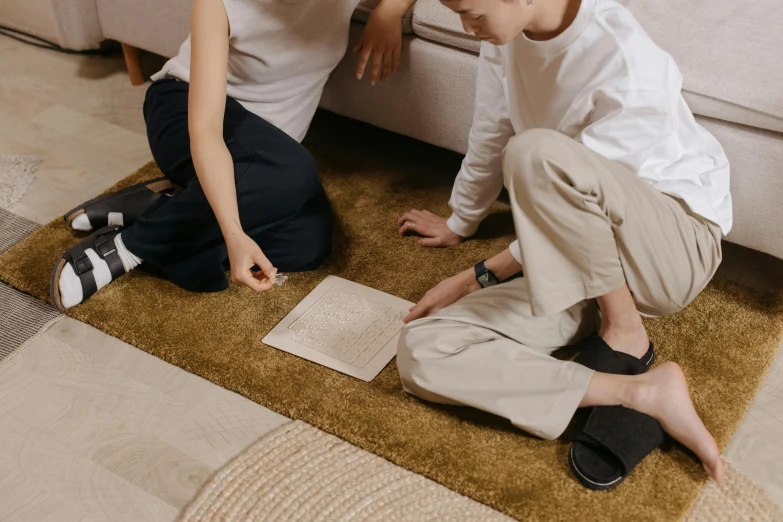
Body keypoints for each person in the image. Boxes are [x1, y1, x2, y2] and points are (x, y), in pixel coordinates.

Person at [395, 0, 728, 488]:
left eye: (471, 12)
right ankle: (640, 391)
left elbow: (573, 199)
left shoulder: (622, 57)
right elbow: (491, 127)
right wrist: (460, 221)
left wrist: (478, 274)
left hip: (671, 246)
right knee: (424, 349)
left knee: (534, 154)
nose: (467, 27)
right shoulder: (502, 35)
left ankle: (625, 329)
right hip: (581, 258)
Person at [50, 0, 415, 310]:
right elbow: (207, 131)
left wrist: (390, 11)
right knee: (292, 172)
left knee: (308, 243)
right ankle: (125, 247)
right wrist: (232, 231)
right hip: (186, 112)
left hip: (267, 150)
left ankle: (162, 206)